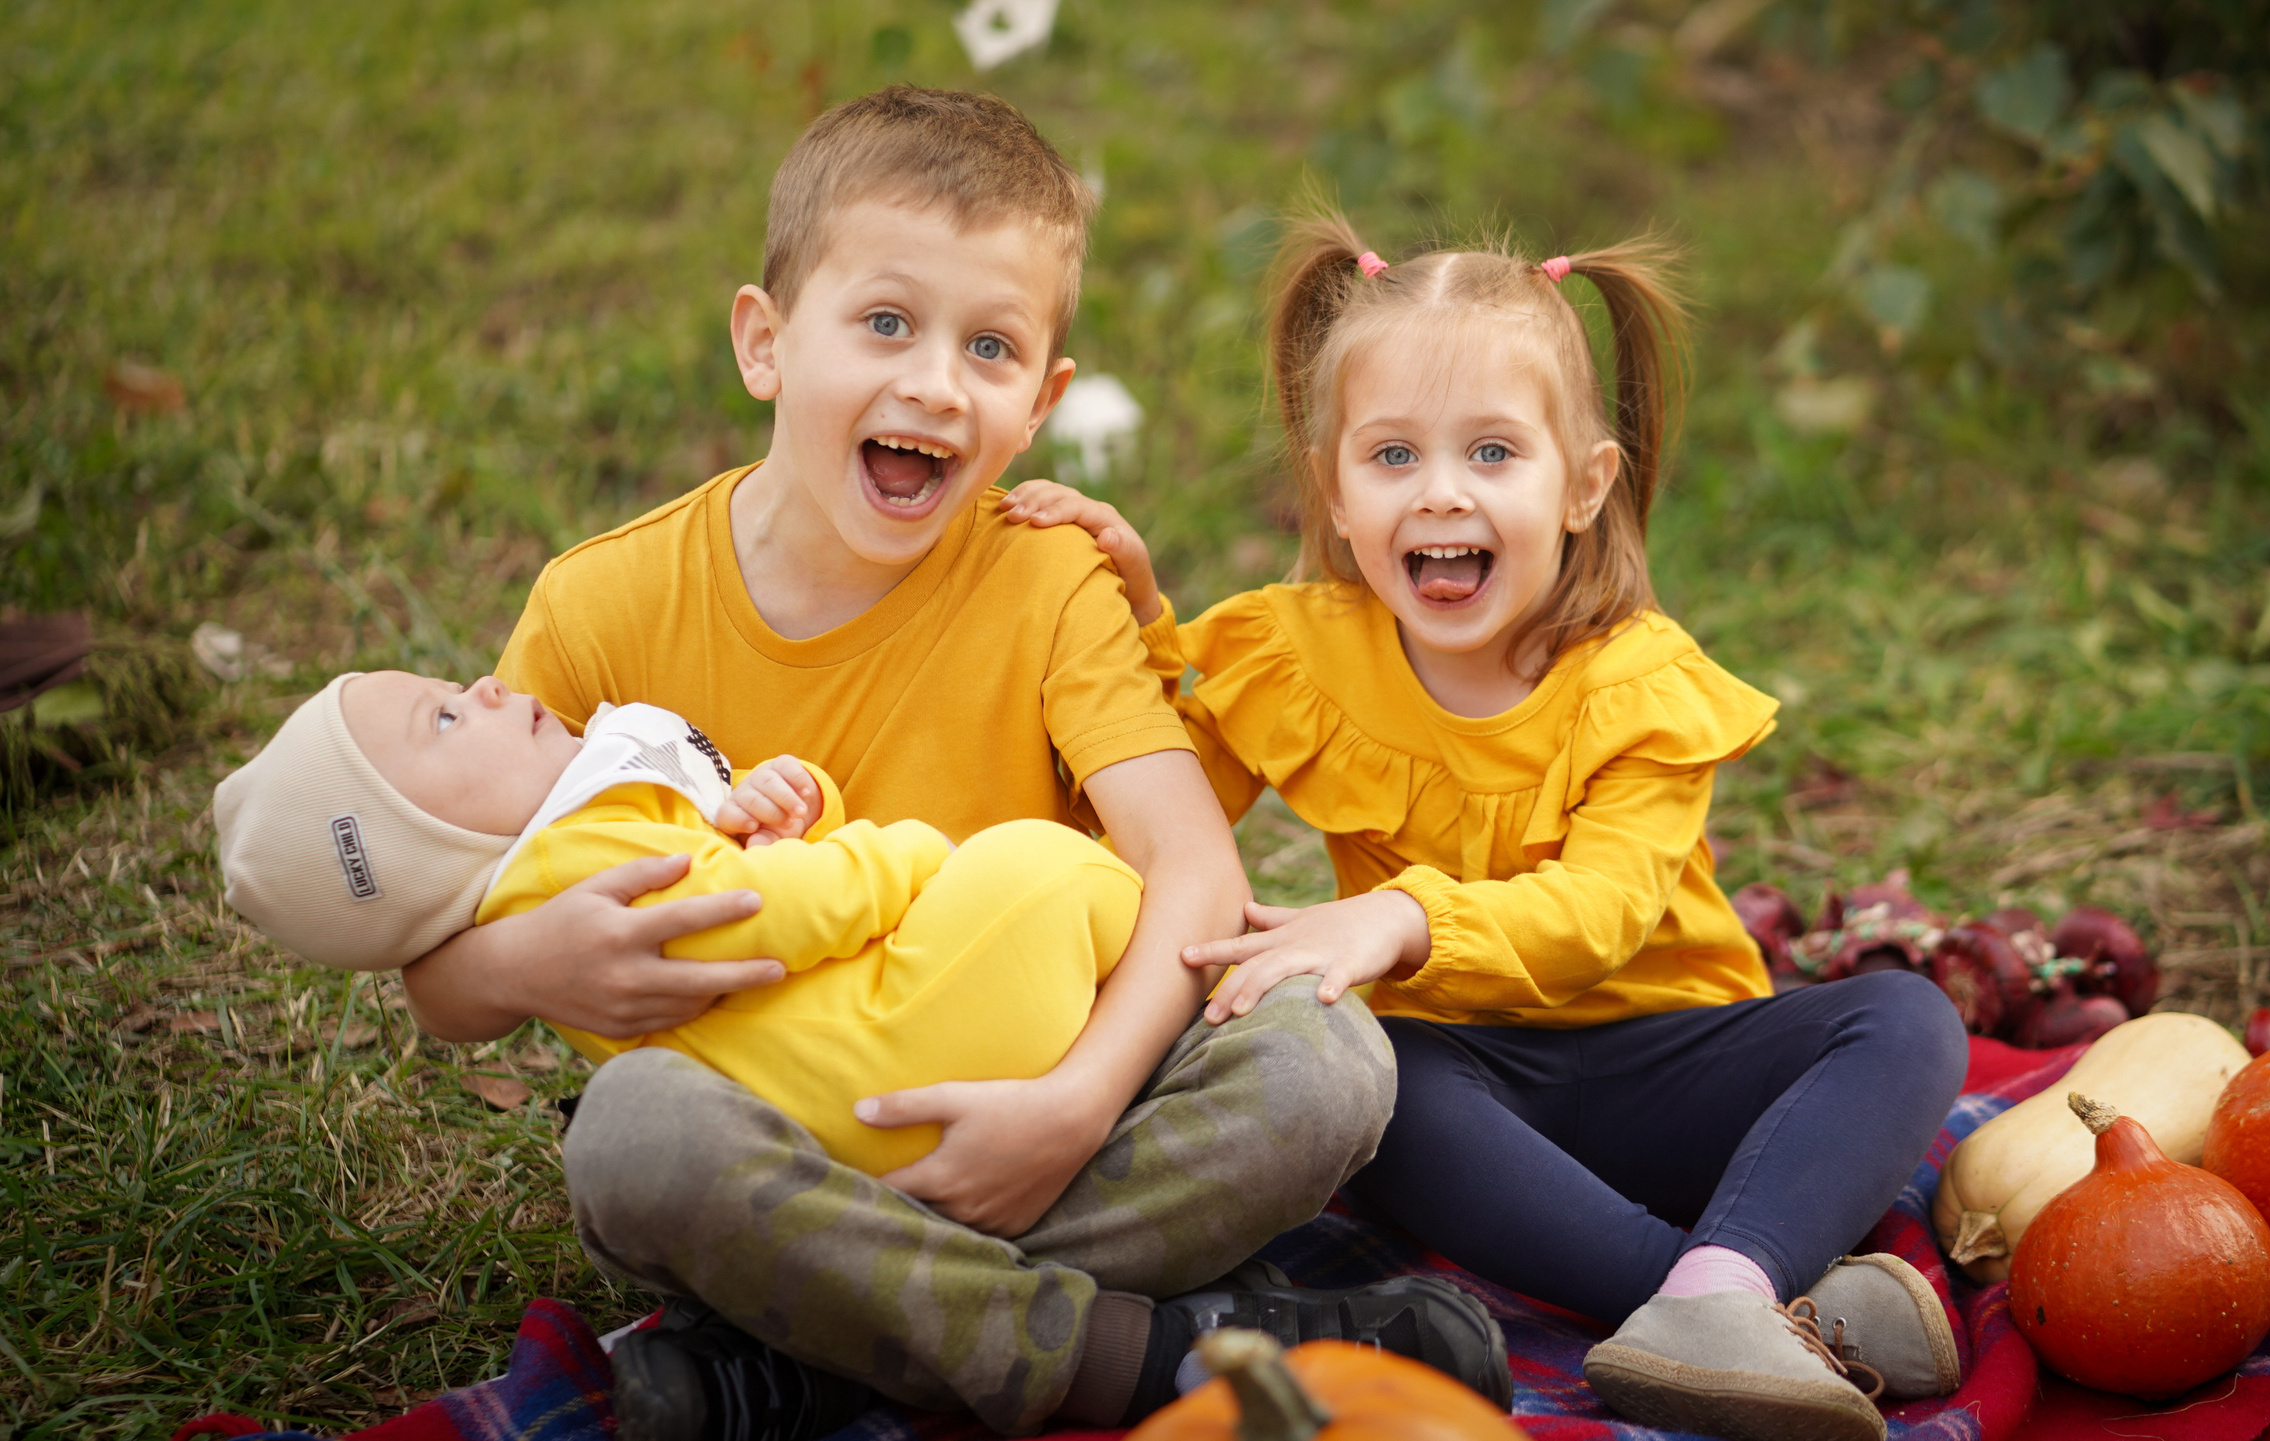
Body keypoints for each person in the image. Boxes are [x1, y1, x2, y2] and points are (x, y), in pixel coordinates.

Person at [390, 92, 1505, 1441]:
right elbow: (439, 968)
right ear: (765, 342)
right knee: (633, 1137)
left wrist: (1074, 1100)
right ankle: (1142, 1354)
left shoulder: (1049, 580)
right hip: (777, 1114)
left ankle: (803, 1354)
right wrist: (529, 963)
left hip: (1048, 1096)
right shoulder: (603, 609)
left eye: (988, 347)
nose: (931, 381)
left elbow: (1192, 864)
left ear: (1039, 403)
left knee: (1325, 1063)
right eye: (884, 323)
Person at [1002, 213, 1972, 1441]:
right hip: (1466, 1099)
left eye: (1493, 453)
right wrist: (1123, 621)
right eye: (1392, 455)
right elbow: (1136, 818)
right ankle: (1728, 1302)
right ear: (1334, 490)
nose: (1441, 491)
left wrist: (1399, 914)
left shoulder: (1637, 685)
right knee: (1368, 1074)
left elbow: (1603, 914)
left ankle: (1725, 1279)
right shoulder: (1291, 656)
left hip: (1673, 1074)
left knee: (1905, 1019)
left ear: (1583, 485)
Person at [214, 669, 1149, 1179]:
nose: (487, 687)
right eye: (448, 720)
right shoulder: (566, 863)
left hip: (860, 1092)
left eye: (453, 686)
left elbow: (738, 876)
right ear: (436, 840)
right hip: (892, 1057)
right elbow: (765, 909)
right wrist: (912, 852)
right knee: (1040, 865)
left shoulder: (572, 841)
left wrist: (787, 807)